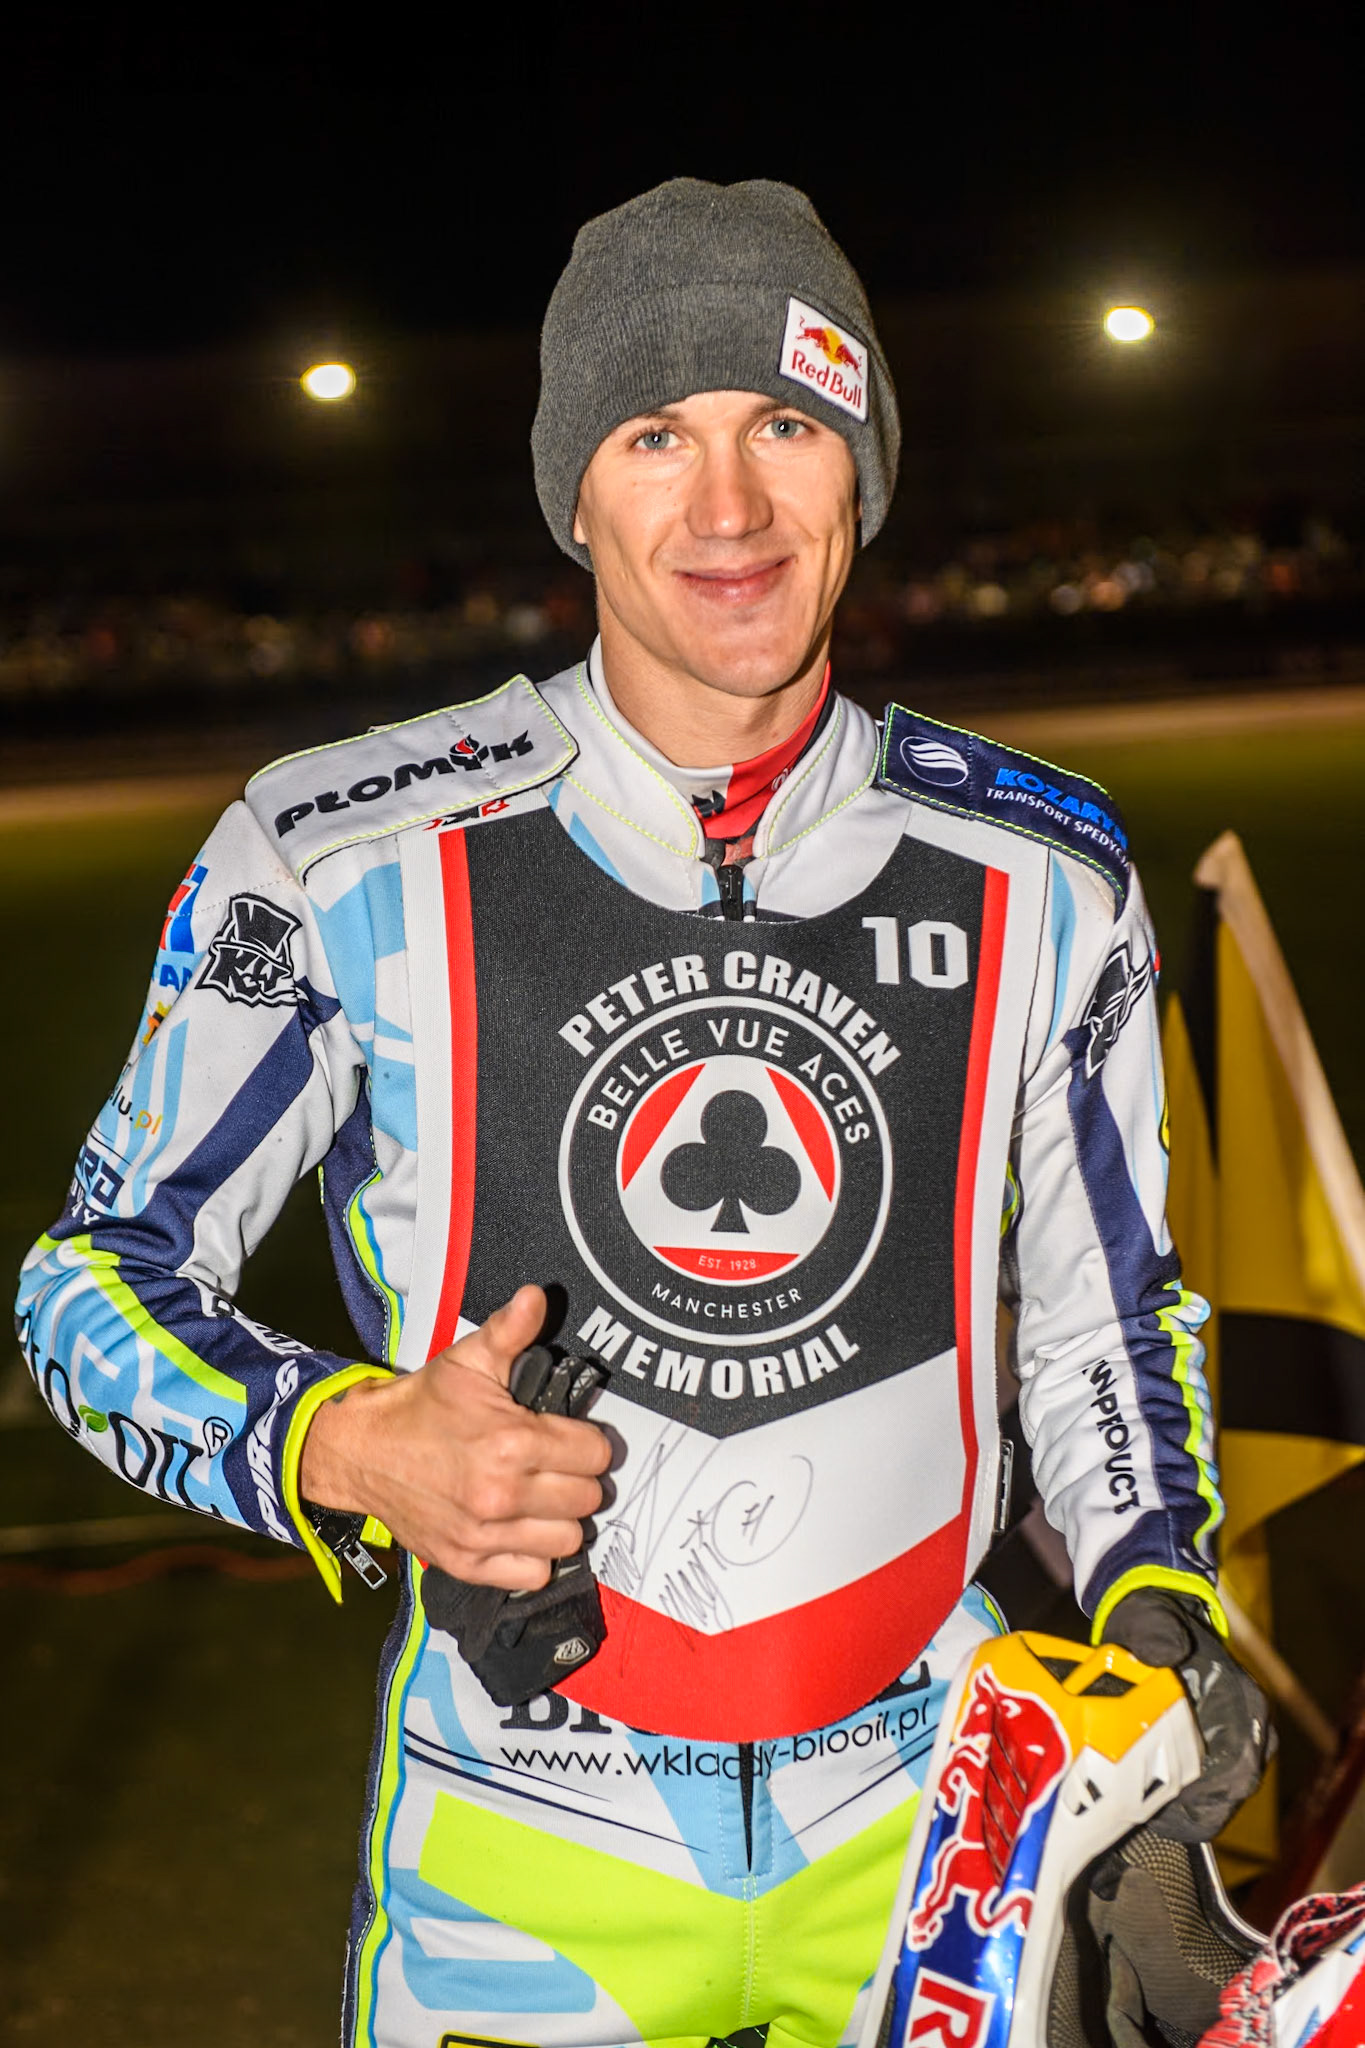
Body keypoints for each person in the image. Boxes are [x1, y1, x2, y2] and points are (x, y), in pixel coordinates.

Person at [16, 179, 1268, 2048]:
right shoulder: (337, 848)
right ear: (573, 492)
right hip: (519, 1850)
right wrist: (348, 1445)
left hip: (944, 1838)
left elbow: (1108, 1310)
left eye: (786, 423)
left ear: (863, 467)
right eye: (653, 435)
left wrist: (1161, 1617)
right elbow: (85, 1287)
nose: (731, 508)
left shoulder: (1044, 869)